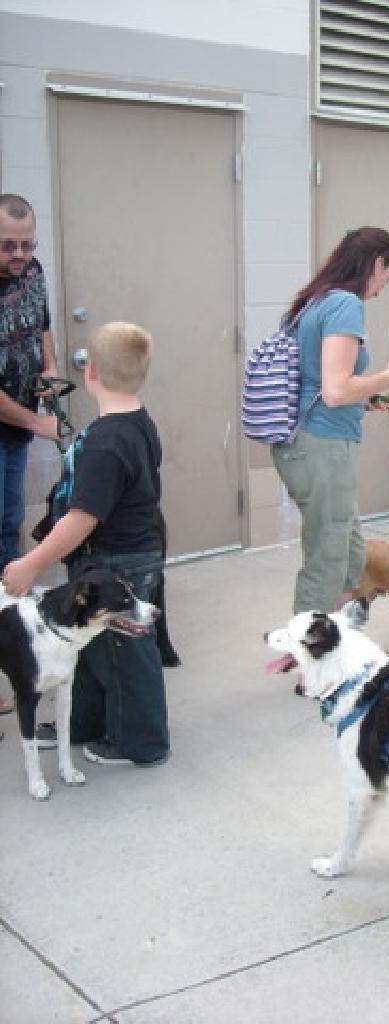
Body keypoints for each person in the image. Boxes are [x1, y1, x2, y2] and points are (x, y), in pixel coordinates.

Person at [3, 322, 171, 766]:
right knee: (93, 644)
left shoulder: (106, 443)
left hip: (116, 560)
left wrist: (32, 564)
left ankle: (141, 743)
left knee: (126, 656)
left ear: (91, 371)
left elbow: (81, 520)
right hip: (129, 553)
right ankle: (84, 724)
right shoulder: (136, 423)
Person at [271, 227, 389, 616]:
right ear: (375, 264)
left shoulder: (316, 300)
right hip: (322, 446)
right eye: (386, 278)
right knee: (328, 557)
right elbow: (336, 390)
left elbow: (320, 381)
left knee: (349, 552)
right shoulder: (345, 305)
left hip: (308, 443)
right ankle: (310, 660)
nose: (382, 288)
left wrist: (369, 396)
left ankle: (340, 642)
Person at [0, 193, 61, 716]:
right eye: (7, 246)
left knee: (7, 532)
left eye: (26, 243)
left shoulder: (32, 271)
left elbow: (42, 327)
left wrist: (48, 373)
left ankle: (11, 651)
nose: (19, 254)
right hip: (10, 425)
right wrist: (39, 422)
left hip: (14, 434)